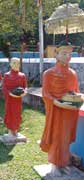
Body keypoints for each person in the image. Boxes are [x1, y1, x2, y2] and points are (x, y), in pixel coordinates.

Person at [40, 40, 81, 176]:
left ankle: (63, 163)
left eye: (70, 53)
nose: (67, 56)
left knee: (65, 138)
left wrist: (78, 99)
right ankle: (54, 164)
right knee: (57, 137)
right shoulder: (49, 74)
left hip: (69, 112)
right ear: (56, 54)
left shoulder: (73, 74)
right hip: (56, 111)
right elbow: (46, 94)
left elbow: (75, 91)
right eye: (64, 53)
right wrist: (57, 103)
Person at [3, 58, 27, 137]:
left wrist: (25, 92)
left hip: (18, 100)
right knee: (10, 114)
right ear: (10, 64)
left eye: (18, 63)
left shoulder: (22, 75)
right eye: (14, 63)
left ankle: (16, 130)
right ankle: (10, 131)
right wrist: (11, 94)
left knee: (17, 114)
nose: (16, 65)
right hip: (10, 100)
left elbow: (25, 87)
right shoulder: (7, 75)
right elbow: (5, 88)